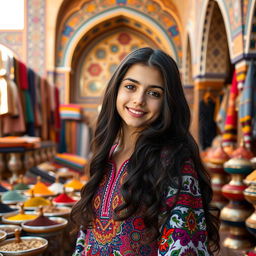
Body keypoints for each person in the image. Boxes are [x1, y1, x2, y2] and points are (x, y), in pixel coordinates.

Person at [71, 47, 220, 256]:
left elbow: (183, 247)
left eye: (153, 93)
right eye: (131, 86)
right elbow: (84, 235)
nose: (139, 99)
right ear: (116, 90)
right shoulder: (105, 155)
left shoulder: (175, 163)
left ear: (167, 102)